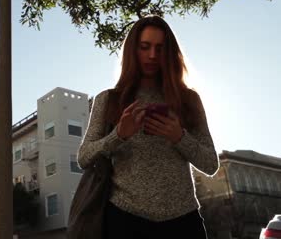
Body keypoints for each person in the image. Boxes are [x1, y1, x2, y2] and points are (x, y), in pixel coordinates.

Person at [77, 15, 219, 239]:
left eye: (160, 48)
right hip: (124, 220)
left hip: (183, 220)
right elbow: (84, 157)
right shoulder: (107, 99)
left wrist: (179, 137)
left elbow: (211, 164)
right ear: (132, 50)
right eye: (145, 47)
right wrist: (118, 135)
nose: (152, 55)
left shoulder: (189, 100)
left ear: (170, 53)